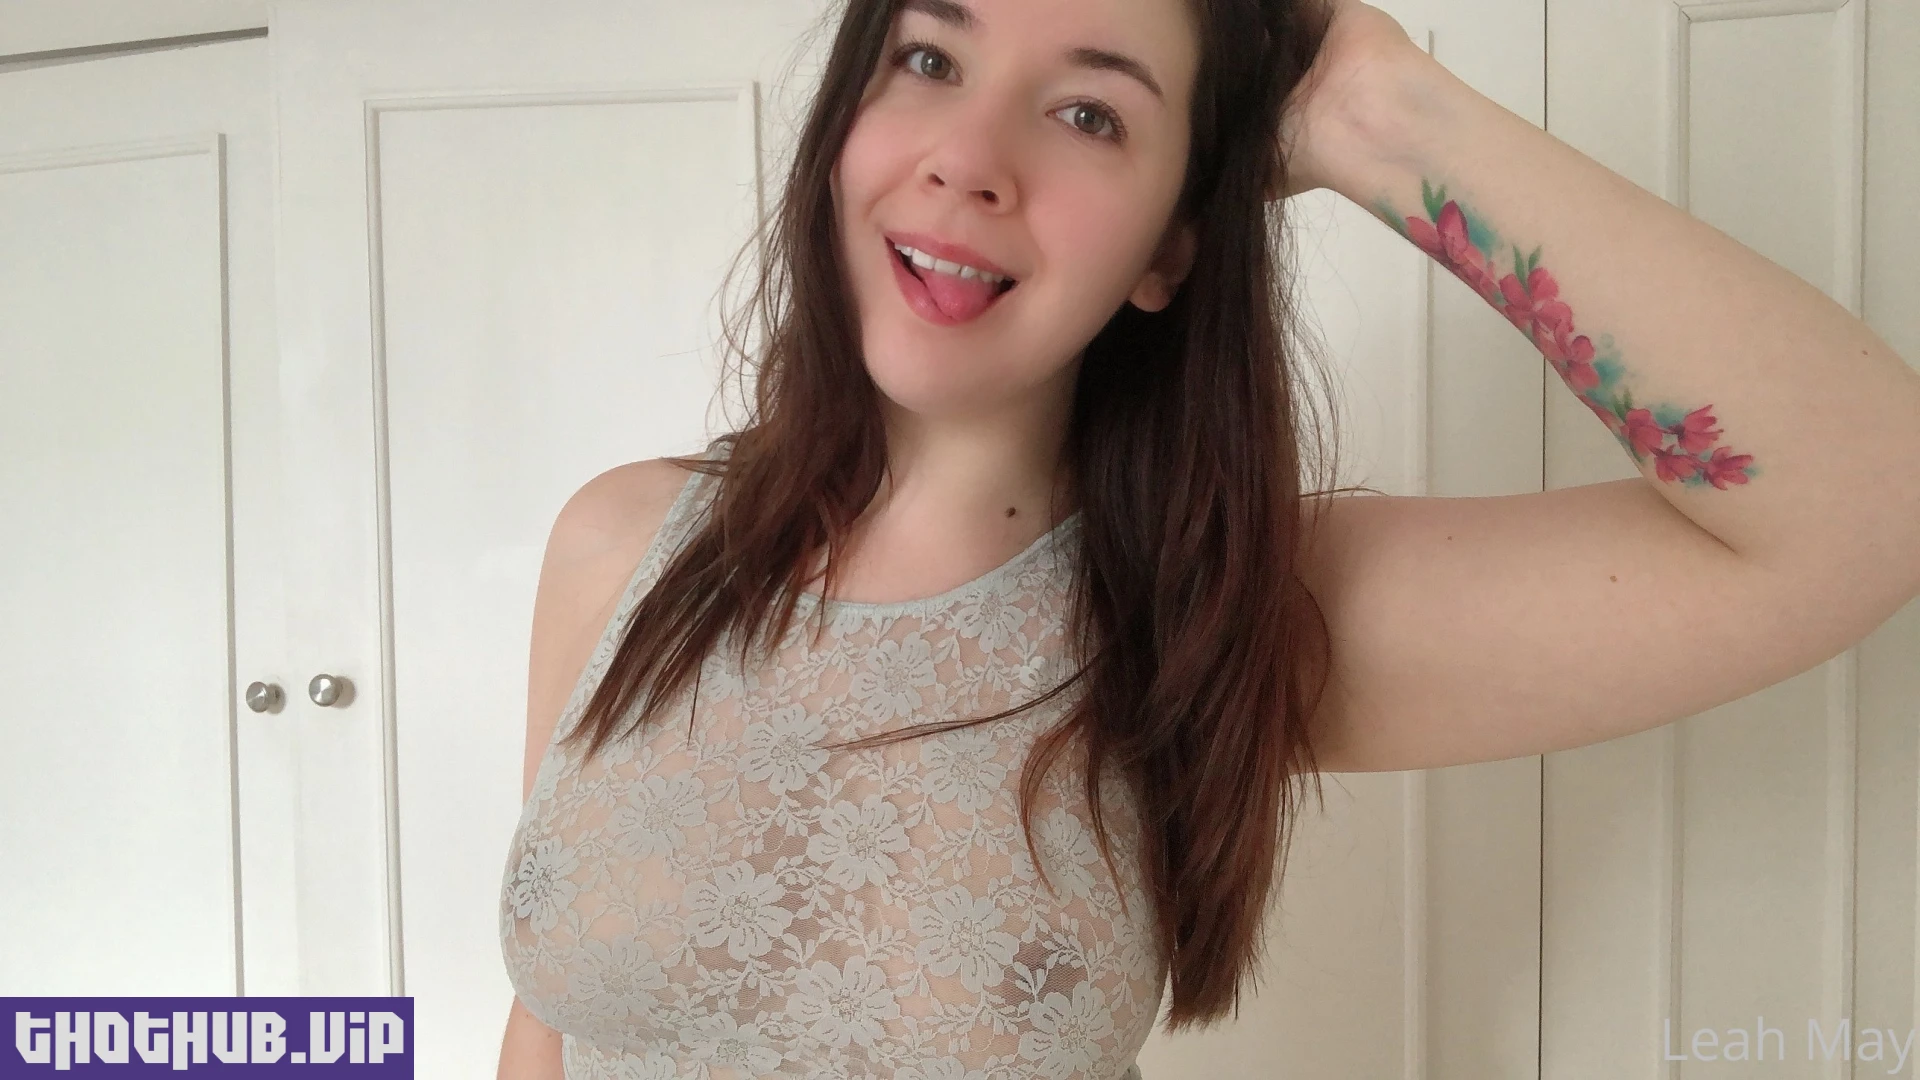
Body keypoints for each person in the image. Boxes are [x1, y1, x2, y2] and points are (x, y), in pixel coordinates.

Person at [496, 0, 1920, 1074]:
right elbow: (543, 1028)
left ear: (1171, 247)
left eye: (1089, 113)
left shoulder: (1214, 612)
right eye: (930, 56)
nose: (968, 160)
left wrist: (1377, 112)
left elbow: (1864, 507)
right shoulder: (622, 542)